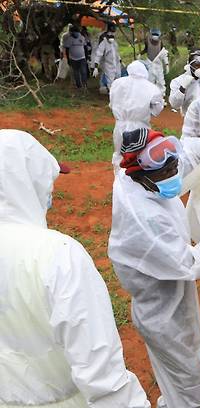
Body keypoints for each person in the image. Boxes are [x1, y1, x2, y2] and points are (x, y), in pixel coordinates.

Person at [0, 129, 150, 407]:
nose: (51, 191)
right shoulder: (57, 255)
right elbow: (103, 377)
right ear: (26, 182)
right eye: (47, 182)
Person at [108, 128, 200, 407]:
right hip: (165, 314)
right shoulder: (144, 218)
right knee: (192, 382)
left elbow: (194, 147)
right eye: (167, 170)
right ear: (140, 173)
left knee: (171, 376)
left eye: (175, 164)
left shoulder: (141, 178)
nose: (175, 172)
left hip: (165, 298)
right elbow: (190, 264)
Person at [109, 61, 164, 167]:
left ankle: (119, 180)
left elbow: (112, 103)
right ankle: (135, 181)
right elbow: (157, 110)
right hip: (140, 128)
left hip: (120, 125)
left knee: (119, 156)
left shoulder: (117, 83)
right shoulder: (151, 88)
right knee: (139, 158)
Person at [141, 28, 169, 96]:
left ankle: (161, 98)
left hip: (158, 66)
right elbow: (146, 49)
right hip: (150, 64)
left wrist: (166, 64)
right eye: (153, 34)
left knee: (160, 82)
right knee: (150, 82)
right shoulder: (147, 41)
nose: (155, 36)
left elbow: (164, 54)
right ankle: (150, 97)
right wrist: (140, 54)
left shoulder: (160, 43)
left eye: (156, 35)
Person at [63, 25, 88, 89]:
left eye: (77, 32)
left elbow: (85, 47)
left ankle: (84, 84)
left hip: (82, 58)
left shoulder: (82, 37)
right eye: (74, 32)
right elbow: (67, 49)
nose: (76, 33)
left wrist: (87, 56)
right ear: (71, 32)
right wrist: (68, 59)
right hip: (73, 59)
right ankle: (79, 86)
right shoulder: (69, 39)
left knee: (84, 72)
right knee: (76, 73)